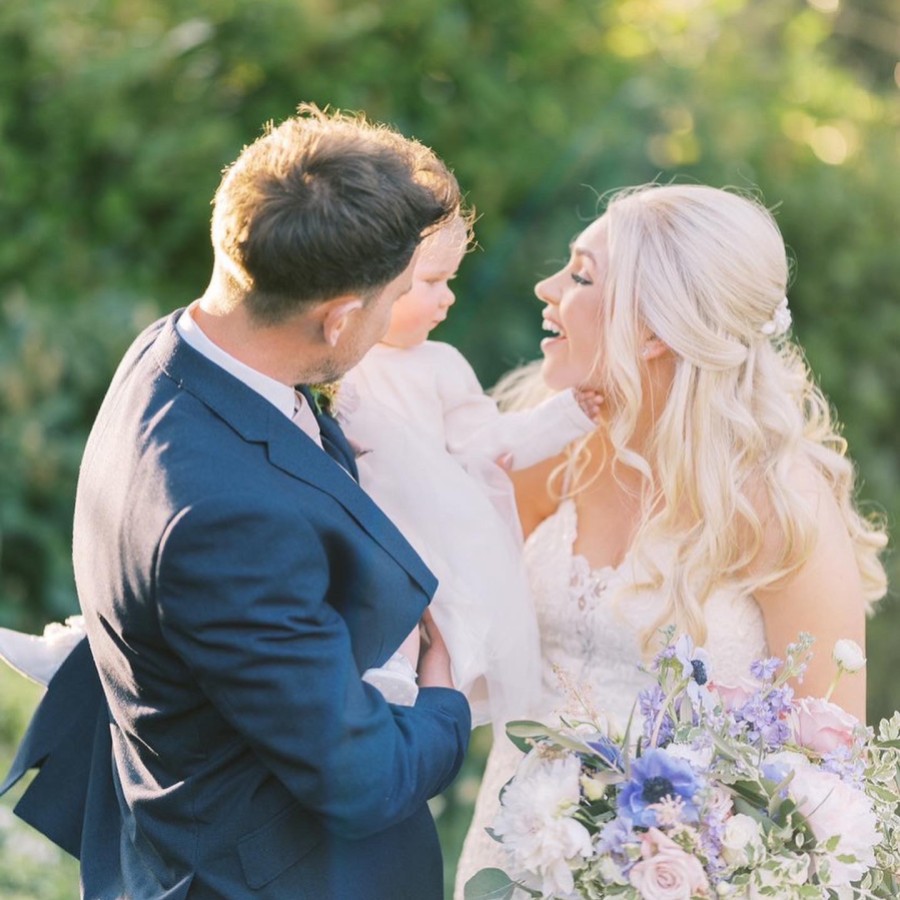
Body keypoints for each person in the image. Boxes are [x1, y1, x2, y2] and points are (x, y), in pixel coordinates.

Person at [1, 103, 473, 900]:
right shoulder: (227, 522)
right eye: (395, 298)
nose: (398, 317)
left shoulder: (173, 350)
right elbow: (361, 777)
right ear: (340, 317)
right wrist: (445, 699)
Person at [453, 183, 888, 897]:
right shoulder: (547, 443)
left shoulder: (779, 502)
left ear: (653, 331)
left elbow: (827, 781)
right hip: (509, 859)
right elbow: (450, 626)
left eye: (581, 276)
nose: (547, 287)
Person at [340, 212, 602, 729]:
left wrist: (565, 414)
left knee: (430, 601)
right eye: (433, 282)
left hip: (421, 523)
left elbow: (488, 439)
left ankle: (404, 689)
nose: (448, 298)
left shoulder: (440, 364)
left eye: (451, 283)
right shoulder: (337, 360)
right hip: (354, 522)